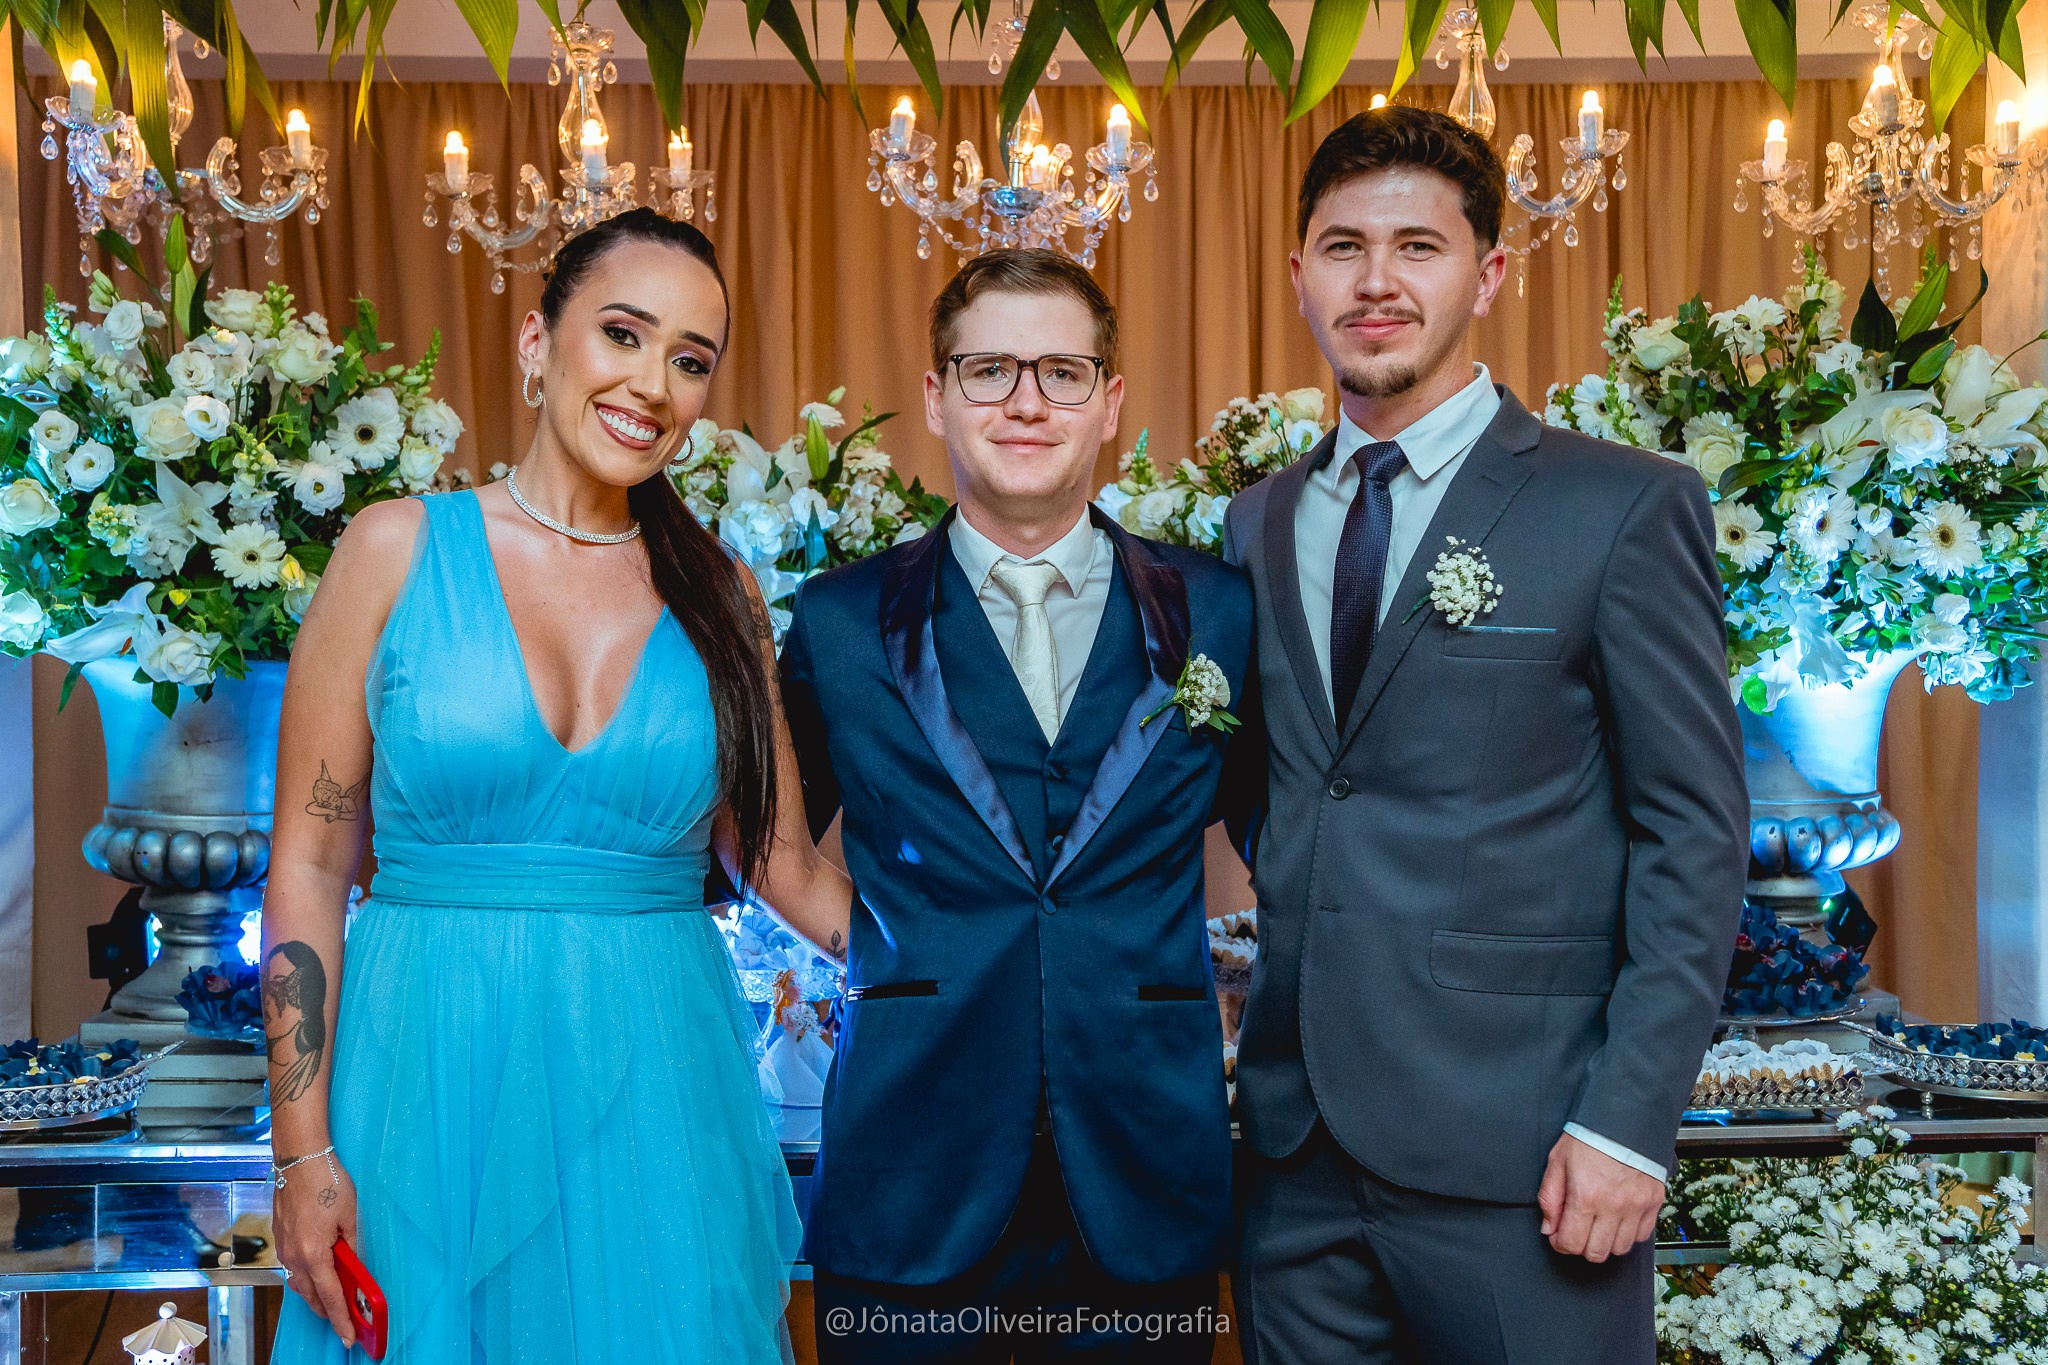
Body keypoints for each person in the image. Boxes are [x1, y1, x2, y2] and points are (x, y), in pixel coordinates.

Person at [265, 208, 851, 1363]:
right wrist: (301, 1152)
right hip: (423, 1082)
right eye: (622, 335)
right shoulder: (392, 549)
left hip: (653, 1091)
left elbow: (781, 866)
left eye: (689, 360)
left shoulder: (716, 591)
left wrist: (978, 949)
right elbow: (310, 863)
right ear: (537, 343)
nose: (653, 383)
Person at [1224, 106, 1746, 1362]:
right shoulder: (1254, 521)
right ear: (1298, 276)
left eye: (1418, 245)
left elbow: (1692, 831)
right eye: (1342, 246)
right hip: (1292, 1158)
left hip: (1532, 1155)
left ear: (1488, 273)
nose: (1376, 281)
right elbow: (1283, 791)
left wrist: (1628, 1124)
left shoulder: (1619, 506)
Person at [779, 248, 1252, 1363]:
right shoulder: (841, 621)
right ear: (938, 396)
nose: (1027, 400)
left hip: (1145, 1173)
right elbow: (760, 830)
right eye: (989, 369)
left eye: (1061, 371)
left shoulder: (1220, 612)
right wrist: (887, 939)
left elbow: (1292, 834)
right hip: (910, 1169)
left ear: (1109, 401)